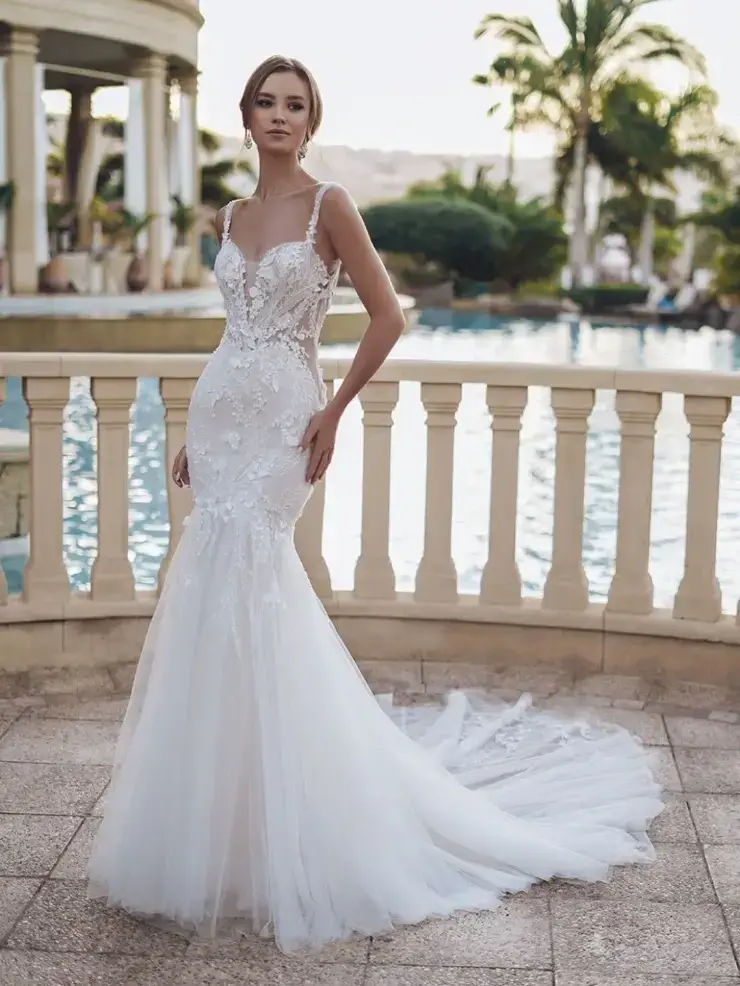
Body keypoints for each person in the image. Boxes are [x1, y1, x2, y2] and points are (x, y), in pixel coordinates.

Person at [87, 54, 664, 955]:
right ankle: (220, 819)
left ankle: (304, 812)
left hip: (287, 419)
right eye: (267, 102)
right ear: (247, 115)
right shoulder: (229, 215)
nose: (280, 116)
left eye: (296, 104)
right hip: (223, 411)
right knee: (207, 586)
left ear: (311, 121)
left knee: (255, 580)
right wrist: (201, 426)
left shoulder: (331, 205)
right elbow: (235, 329)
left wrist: (334, 409)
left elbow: (388, 317)